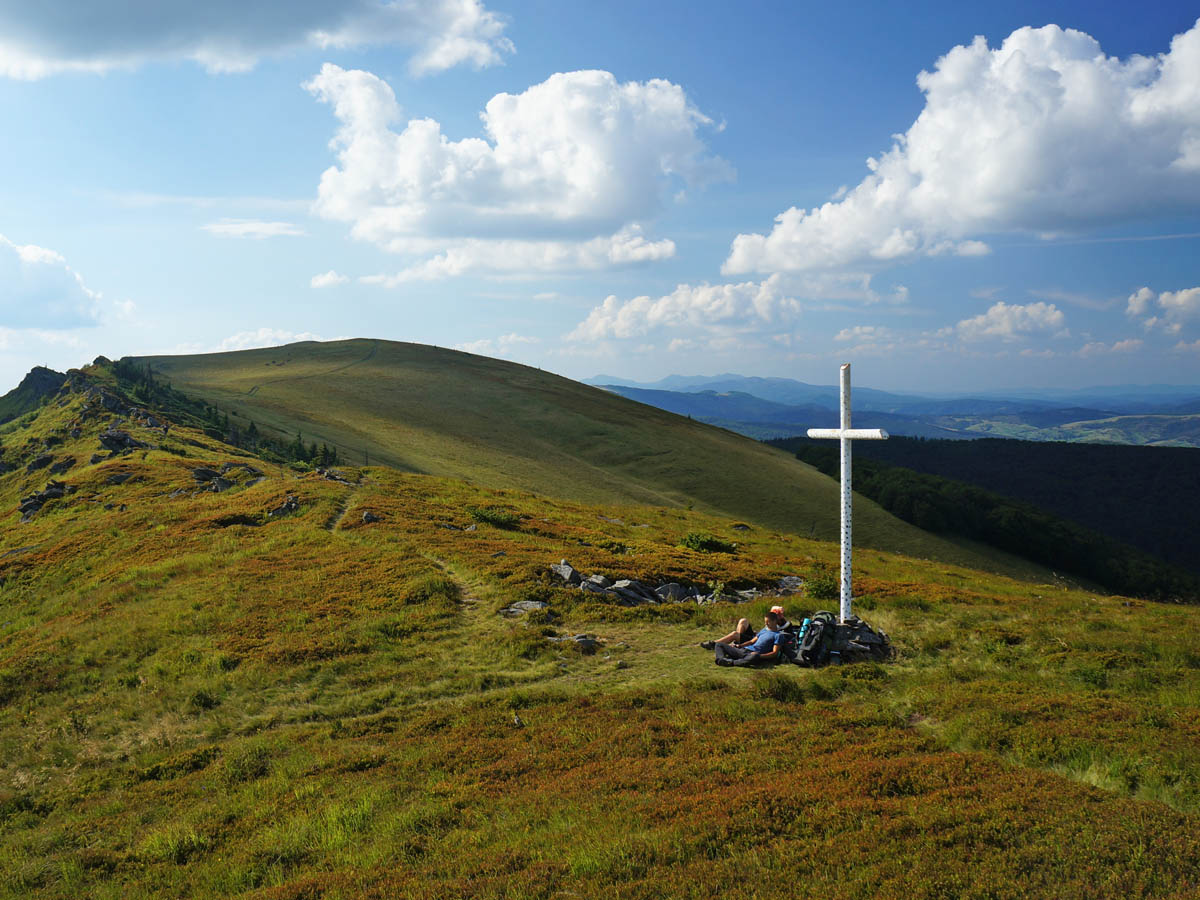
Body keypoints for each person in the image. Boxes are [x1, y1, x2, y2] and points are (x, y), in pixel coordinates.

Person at [712, 610, 795, 667]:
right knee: (719, 645)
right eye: (765, 622)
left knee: (753, 657)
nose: (766, 624)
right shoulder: (764, 630)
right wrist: (739, 646)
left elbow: (774, 653)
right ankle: (721, 659)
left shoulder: (778, 635)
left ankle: (731, 662)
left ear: (774, 622)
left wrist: (759, 656)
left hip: (755, 655)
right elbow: (752, 641)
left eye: (768, 622)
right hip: (745, 650)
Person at [700, 605, 791, 650]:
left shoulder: (785, 627)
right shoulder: (773, 622)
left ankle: (714, 644)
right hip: (755, 637)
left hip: (755, 642)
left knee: (735, 634)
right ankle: (737, 641)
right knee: (743, 621)